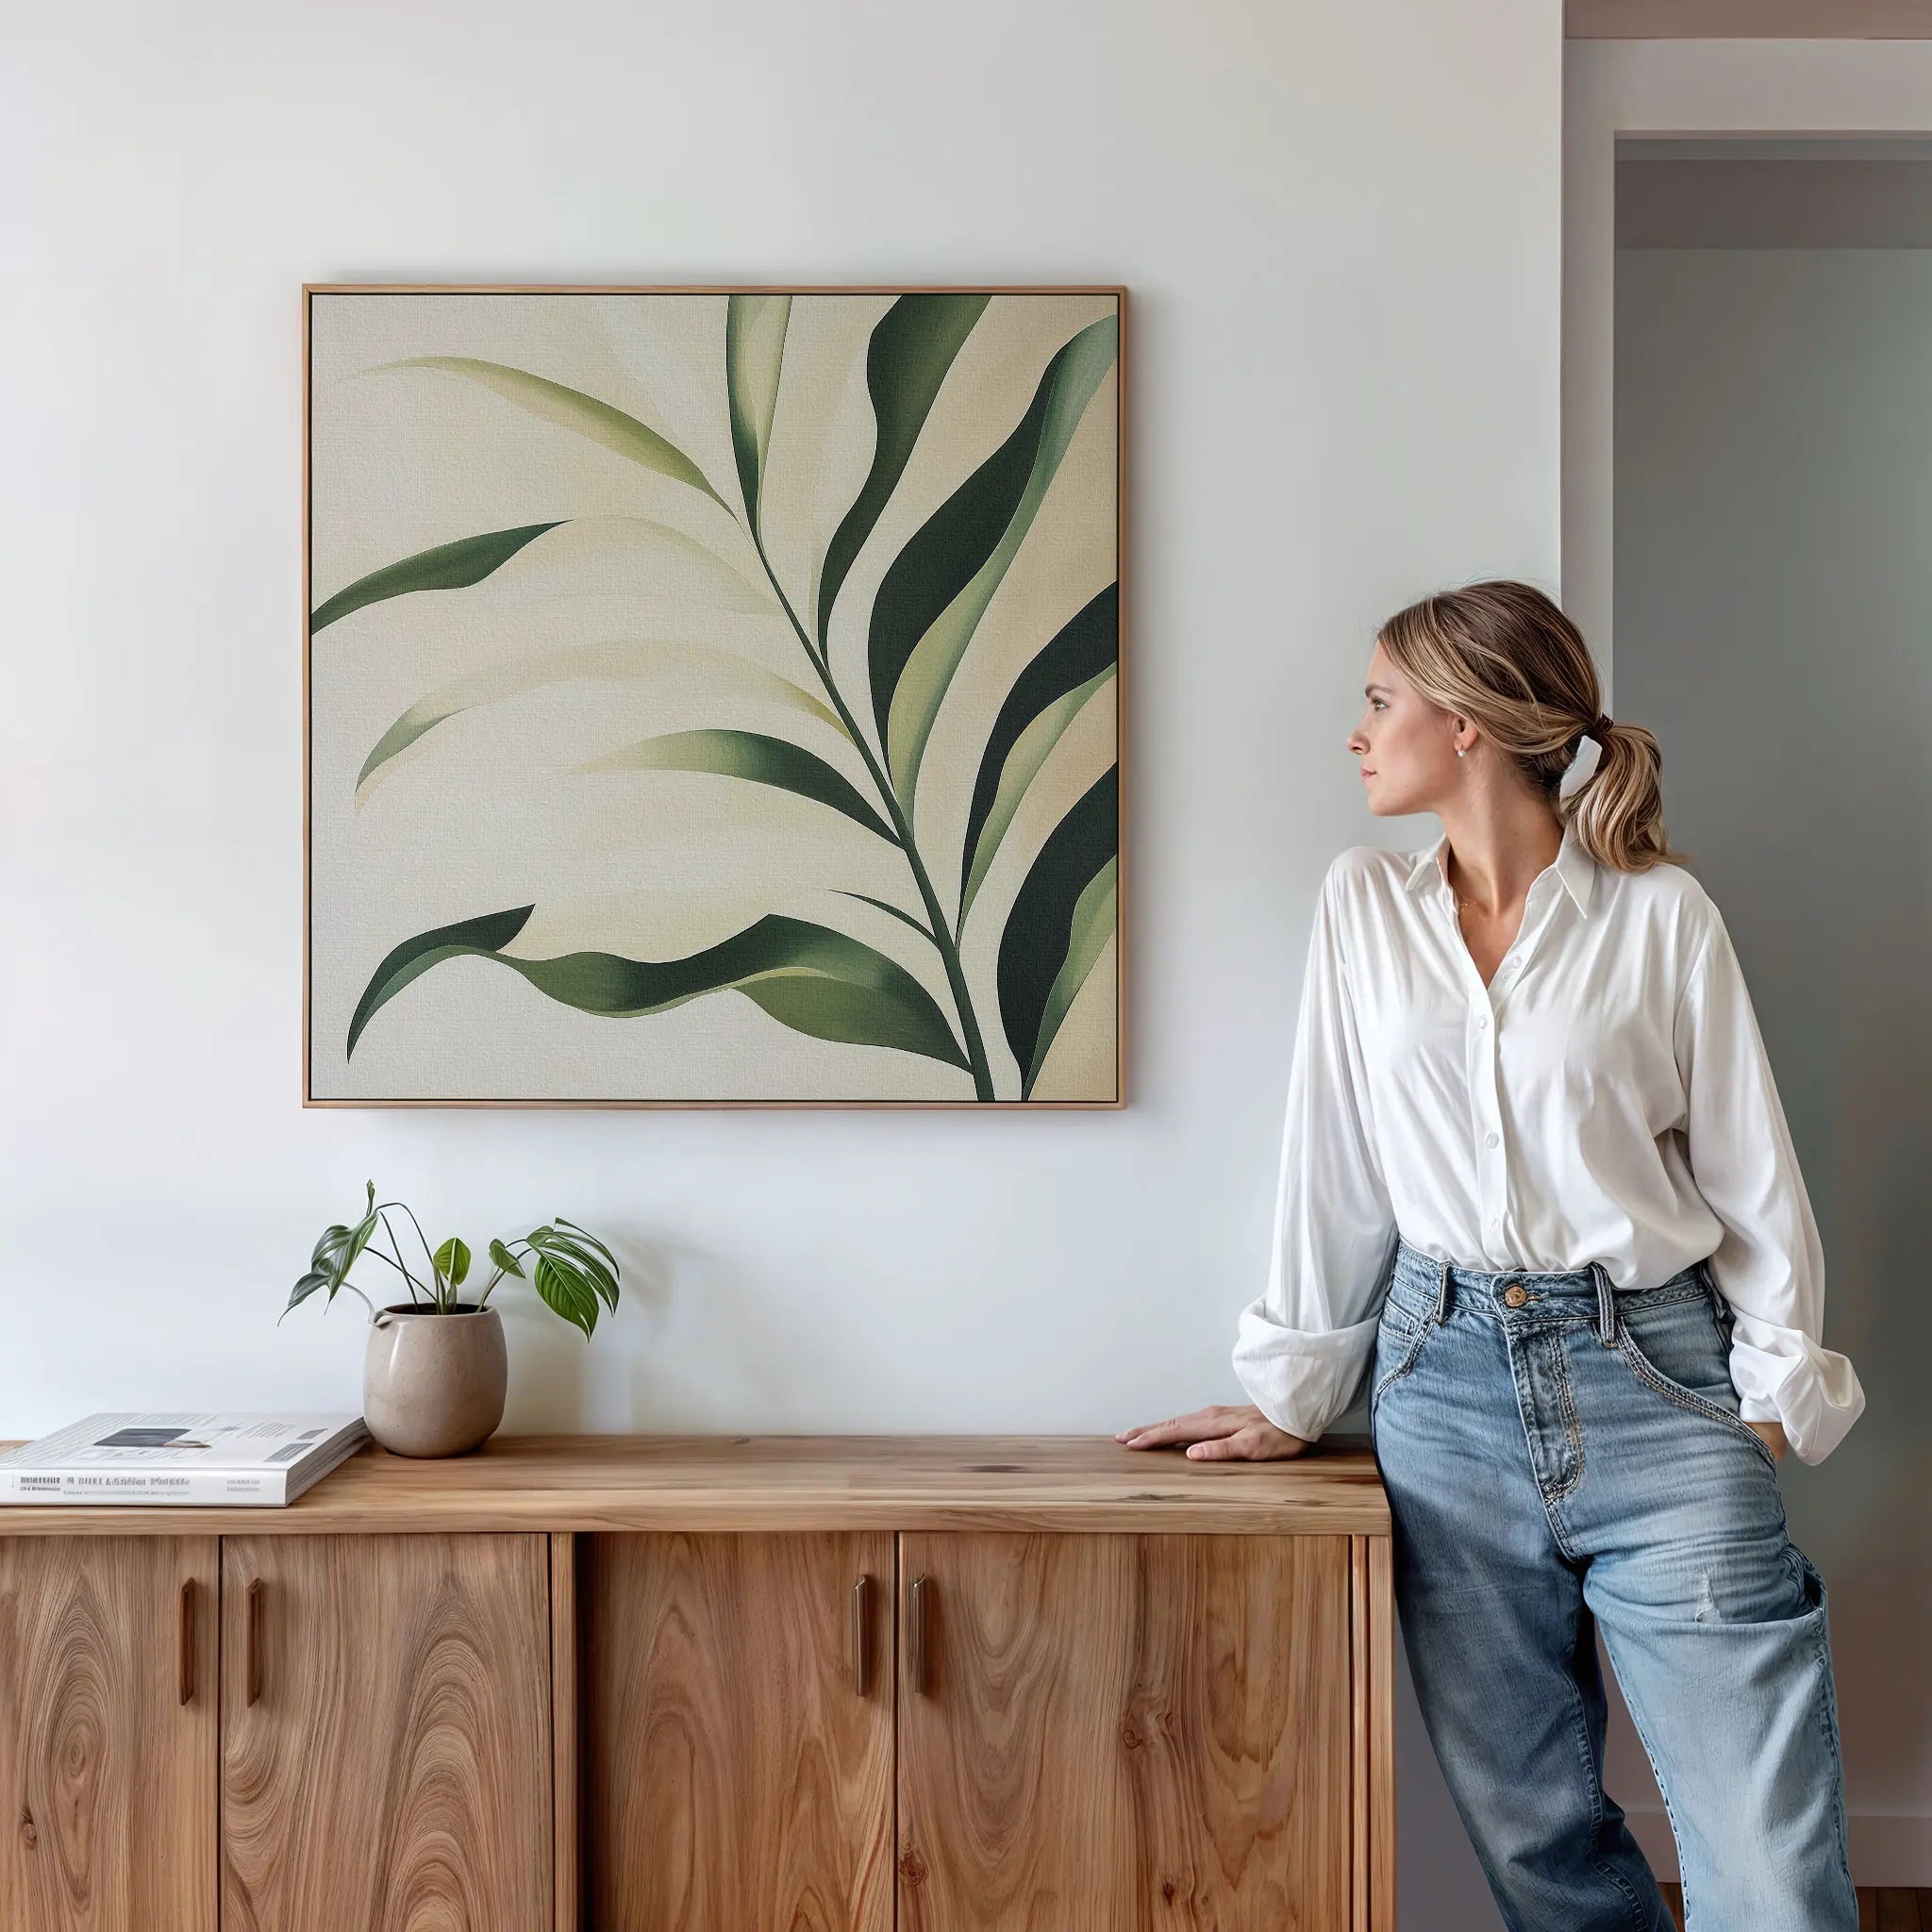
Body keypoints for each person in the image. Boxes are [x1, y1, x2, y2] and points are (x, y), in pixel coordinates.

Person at [1117, 580, 1864, 1930]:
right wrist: (1298, 1390)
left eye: (1378, 700)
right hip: (1442, 1389)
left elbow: (1753, 1172)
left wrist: (1768, 1395)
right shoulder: (1363, 908)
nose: (1357, 733)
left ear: (1466, 725)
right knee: (1539, 1847)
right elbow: (1330, 1160)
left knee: (1768, 1859)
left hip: (1660, 1377)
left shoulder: (1660, 916)